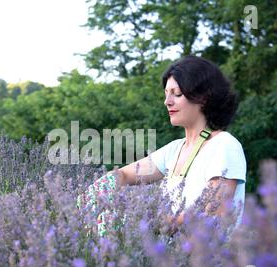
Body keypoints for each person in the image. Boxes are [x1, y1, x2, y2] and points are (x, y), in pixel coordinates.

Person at [78, 55, 247, 235]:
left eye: (177, 94)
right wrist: (95, 193)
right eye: (166, 93)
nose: (167, 101)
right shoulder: (174, 149)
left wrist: (143, 223)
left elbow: (214, 213)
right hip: (172, 260)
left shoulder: (224, 145)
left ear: (203, 97)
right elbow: (125, 174)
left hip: (211, 260)